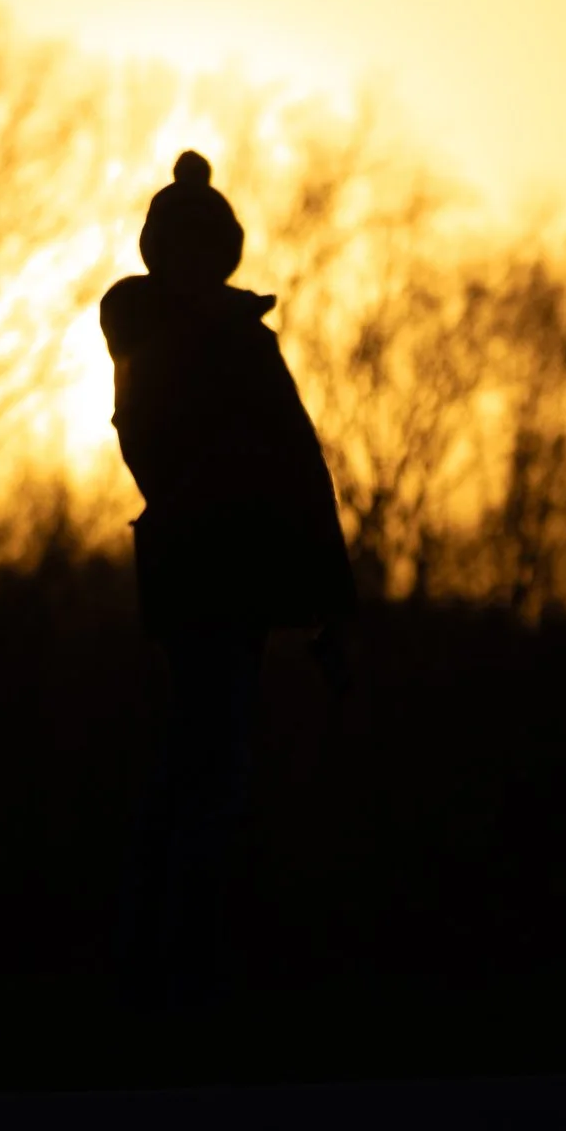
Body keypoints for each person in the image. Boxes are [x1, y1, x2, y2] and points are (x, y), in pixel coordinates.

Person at [103, 148, 356, 1015]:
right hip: (199, 577)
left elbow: (300, 470)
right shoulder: (151, 325)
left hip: (237, 579)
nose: (198, 263)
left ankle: (179, 964)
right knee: (205, 771)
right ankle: (174, 972)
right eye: (183, 246)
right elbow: (166, 443)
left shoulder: (237, 342)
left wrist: (335, 597)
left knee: (209, 768)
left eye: (212, 248)